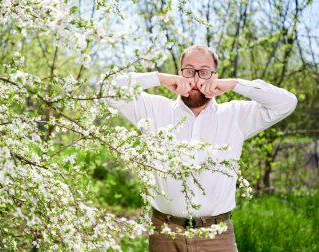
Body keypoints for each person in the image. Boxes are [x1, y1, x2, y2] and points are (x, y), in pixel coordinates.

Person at [108, 45, 297, 251]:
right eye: (189, 70)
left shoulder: (235, 115)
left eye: (204, 71)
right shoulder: (153, 109)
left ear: (215, 76)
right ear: (179, 73)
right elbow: (108, 89)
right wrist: (160, 78)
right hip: (164, 234)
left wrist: (235, 84)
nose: (196, 79)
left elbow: (286, 102)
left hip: (217, 236)